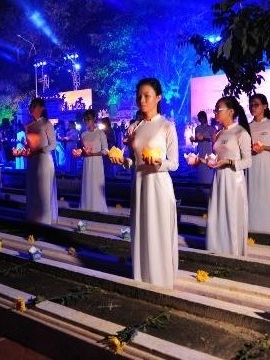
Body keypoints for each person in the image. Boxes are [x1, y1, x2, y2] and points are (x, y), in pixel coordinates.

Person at [109, 78, 179, 289]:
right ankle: (143, 273)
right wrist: (123, 160)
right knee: (142, 228)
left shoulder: (167, 126)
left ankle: (162, 276)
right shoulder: (134, 127)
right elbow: (134, 161)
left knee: (158, 229)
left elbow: (174, 163)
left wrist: (159, 162)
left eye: (147, 96)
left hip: (158, 184)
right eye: (139, 96)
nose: (142, 100)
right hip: (139, 184)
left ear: (158, 97)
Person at [202, 96, 252, 256]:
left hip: (233, 179)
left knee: (231, 213)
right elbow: (215, 158)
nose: (215, 112)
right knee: (217, 212)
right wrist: (202, 160)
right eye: (215, 109)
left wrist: (229, 162)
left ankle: (233, 250)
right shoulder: (218, 134)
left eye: (219, 109)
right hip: (218, 179)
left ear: (231, 112)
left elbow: (247, 162)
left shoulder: (241, 133)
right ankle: (216, 247)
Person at [247, 94, 270, 233]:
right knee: (252, 194)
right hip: (251, 164)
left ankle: (269, 227)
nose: (253, 107)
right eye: (251, 105)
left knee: (267, 195)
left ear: (265, 106)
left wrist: (264, 147)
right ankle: (252, 225)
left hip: (267, 164)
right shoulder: (247, 126)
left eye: (256, 104)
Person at [25, 98, 58, 225]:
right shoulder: (28, 125)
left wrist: (40, 150)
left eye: (35, 106)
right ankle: (33, 217)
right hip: (32, 160)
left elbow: (53, 144)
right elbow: (29, 145)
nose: (33, 109)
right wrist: (26, 151)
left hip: (44, 160)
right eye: (32, 106)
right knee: (33, 189)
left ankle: (44, 219)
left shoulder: (46, 123)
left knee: (43, 189)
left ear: (41, 108)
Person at [79, 109, 109, 213]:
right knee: (87, 182)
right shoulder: (83, 134)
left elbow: (105, 150)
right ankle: (86, 206)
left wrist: (94, 154)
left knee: (96, 183)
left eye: (89, 119)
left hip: (96, 162)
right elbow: (82, 149)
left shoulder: (100, 133)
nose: (87, 121)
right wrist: (80, 153)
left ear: (94, 119)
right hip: (87, 162)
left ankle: (97, 206)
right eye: (85, 119)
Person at [191, 111, 216, 184]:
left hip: (208, 148)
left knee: (207, 163)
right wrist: (193, 140)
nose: (200, 119)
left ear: (204, 117)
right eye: (199, 118)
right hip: (200, 148)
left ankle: (208, 182)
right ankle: (201, 182)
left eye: (201, 117)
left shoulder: (211, 128)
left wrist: (204, 139)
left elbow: (213, 140)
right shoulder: (197, 128)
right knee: (200, 165)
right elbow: (197, 139)